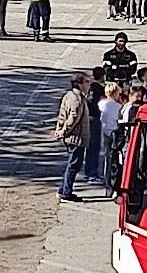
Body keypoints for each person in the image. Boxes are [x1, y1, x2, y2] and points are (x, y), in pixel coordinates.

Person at [54, 72, 91, 202]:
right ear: (79, 84)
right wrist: (63, 131)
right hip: (76, 138)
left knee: (72, 164)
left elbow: (62, 114)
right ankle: (66, 192)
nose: (88, 84)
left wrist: (59, 129)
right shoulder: (77, 99)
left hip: (73, 137)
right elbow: (72, 118)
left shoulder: (69, 96)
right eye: (86, 82)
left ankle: (63, 189)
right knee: (74, 165)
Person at [83, 68, 107, 186]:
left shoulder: (91, 88)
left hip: (89, 118)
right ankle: (92, 173)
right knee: (95, 147)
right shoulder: (100, 89)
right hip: (96, 118)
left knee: (90, 147)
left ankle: (88, 172)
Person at [98, 81, 123, 188]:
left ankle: (103, 176)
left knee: (105, 155)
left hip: (102, 130)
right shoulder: (117, 106)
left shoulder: (100, 103)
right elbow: (119, 119)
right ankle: (108, 178)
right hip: (113, 133)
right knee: (111, 157)